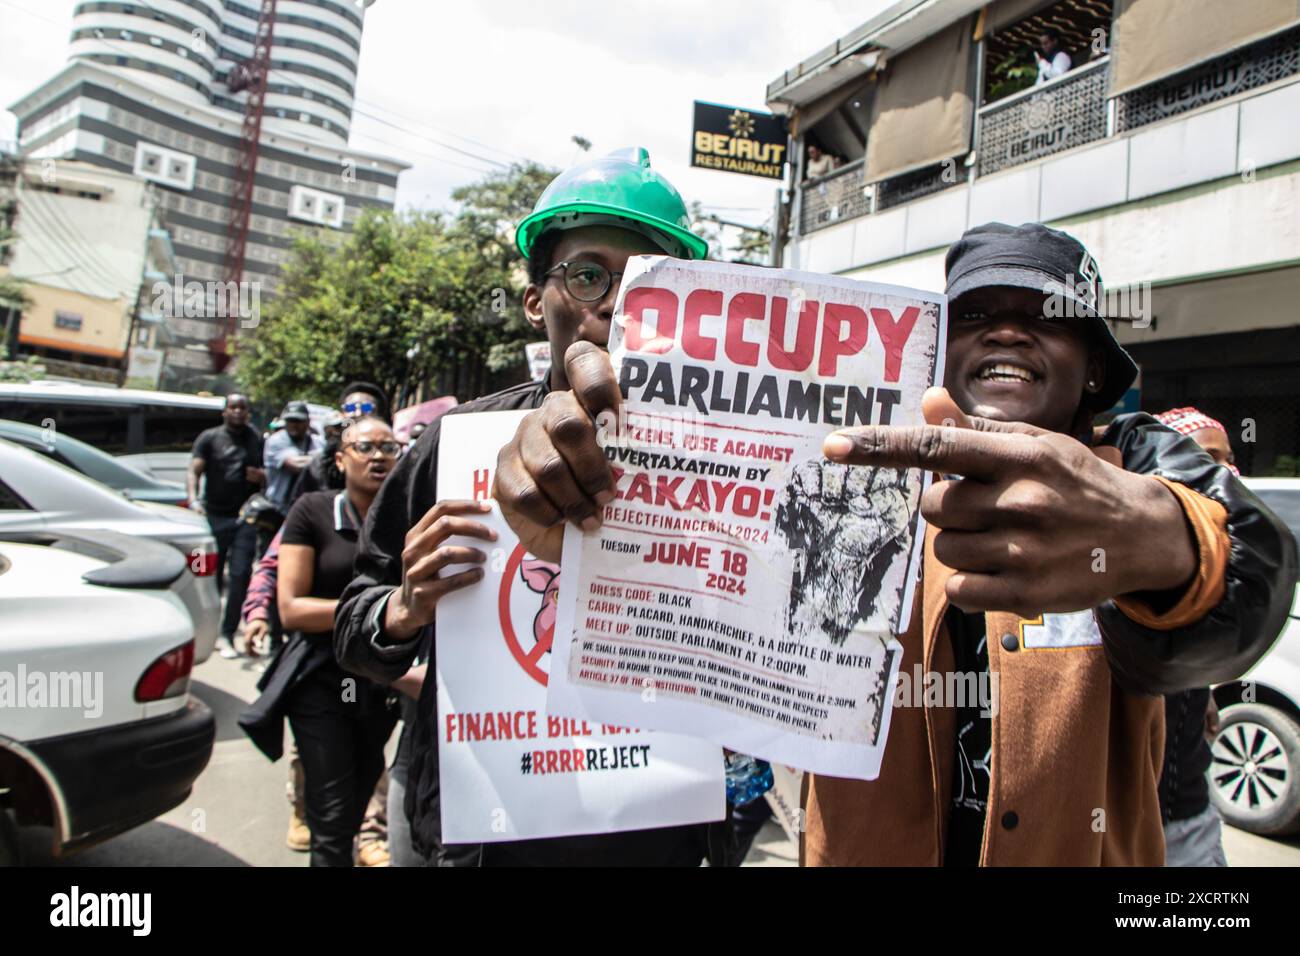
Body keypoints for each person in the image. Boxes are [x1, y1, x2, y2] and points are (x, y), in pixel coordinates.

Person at [492, 220, 1297, 865]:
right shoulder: (844, 455)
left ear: (1092, 369)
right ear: (933, 353)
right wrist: (588, 506)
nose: (1009, 334)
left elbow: (1253, 573)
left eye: (1045, 319)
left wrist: (1161, 543)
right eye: (976, 316)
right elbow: (714, 572)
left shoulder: (1141, 461)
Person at [335, 147, 738, 866]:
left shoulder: (730, 461)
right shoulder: (453, 445)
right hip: (479, 831)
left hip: (657, 835)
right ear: (535, 302)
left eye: (651, 283)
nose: (615, 303)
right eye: (589, 275)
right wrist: (404, 607)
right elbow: (355, 623)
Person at [241, 416, 403, 866]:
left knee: (356, 802)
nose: (378, 457)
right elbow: (292, 608)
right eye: (365, 448)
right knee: (330, 817)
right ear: (339, 458)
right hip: (320, 680)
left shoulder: (409, 518)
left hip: (380, 683)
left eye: (389, 447)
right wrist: (383, 610)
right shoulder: (312, 510)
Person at [1153, 406, 1240, 866]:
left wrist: (1201, 690)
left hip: (1189, 810)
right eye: (1209, 457)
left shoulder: (1220, 551)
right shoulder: (1129, 551)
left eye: (1228, 458)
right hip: (1127, 815)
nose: (1226, 472)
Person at [188, 393, 265, 659]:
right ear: (225, 411)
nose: (238, 412)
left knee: (241, 574)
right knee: (208, 576)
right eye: (233, 407)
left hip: (245, 516)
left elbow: (269, 474)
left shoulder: (256, 438)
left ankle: (227, 633)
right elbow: (194, 470)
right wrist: (193, 499)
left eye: (243, 407)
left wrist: (261, 477)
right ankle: (200, 631)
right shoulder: (210, 438)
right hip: (214, 516)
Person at [265, 400, 323, 516]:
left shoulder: (319, 442)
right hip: (279, 508)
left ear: (307, 422)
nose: (294, 425)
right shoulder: (276, 441)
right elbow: (296, 465)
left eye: (298, 421)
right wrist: (319, 459)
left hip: (308, 508)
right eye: (290, 420)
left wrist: (313, 460)